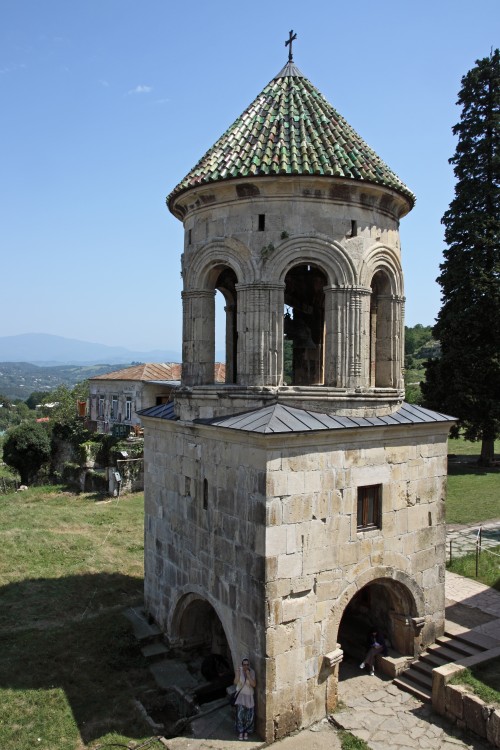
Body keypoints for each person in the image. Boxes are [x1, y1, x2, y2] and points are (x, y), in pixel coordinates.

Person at [233, 657, 256, 740]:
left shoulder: (252, 672)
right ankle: (240, 731)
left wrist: (249, 675)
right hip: (241, 696)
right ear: (242, 665)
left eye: (247, 664)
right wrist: (238, 674)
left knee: (249, 716)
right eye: (244, 664)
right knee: (240, 715)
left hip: (249, 696)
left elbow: (253, 685)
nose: (246, 666)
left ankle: (246, 731)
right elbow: (235, 682)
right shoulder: (239, 671)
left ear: (249, 665)